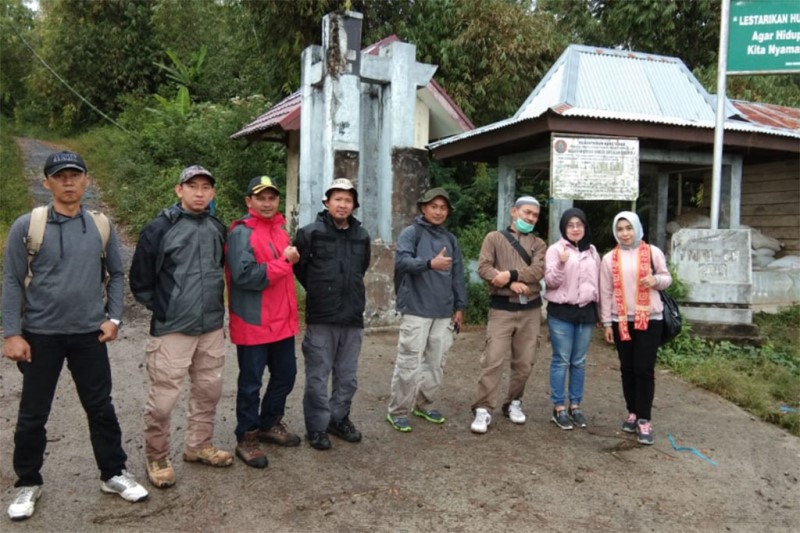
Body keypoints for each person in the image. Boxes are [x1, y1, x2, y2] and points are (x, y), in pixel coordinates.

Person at [2, 151, 148, 521]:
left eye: (75, 175)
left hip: (88, 334)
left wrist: (114, 317)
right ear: (46, 182)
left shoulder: (100, 225)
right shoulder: (27, 226)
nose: (68, 182)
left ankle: (113, 472)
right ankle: (27, 482)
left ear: (86, 181)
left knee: (101, 408)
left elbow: (117, 273)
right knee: (33, 413)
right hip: (40, 335)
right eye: (60, 176)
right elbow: (11, 281)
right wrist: (11, 333)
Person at [130, 165, 233, 488]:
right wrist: (165, 308)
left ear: (213, 193)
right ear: (179, 190)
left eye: (206, 187)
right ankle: (157, 455)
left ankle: (198, 445)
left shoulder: (218, 227)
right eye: (193, 186)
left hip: (212, 325)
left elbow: (220, 270)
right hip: (172, 328)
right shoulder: (160, 228)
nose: (199, 193)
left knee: (209, 391)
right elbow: (141, 281)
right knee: (163, 399)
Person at [225, 176, 301, 469]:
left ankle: (270, 422)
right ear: (249, 202)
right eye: (261, 198)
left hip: (281, 321)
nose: (267, 203)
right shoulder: (241, 233)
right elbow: (244, 276)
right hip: (254, 321)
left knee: (286, 375)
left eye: (272, 198)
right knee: (250, 384)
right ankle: (246, 436)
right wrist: (285, 263)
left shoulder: (280, 230)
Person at [294, 178, 371, 451]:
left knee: (347, 377)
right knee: (317, 377)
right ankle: (316, 427)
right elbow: (300, 269)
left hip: (352, 317)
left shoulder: (362, 236)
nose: (342, 204)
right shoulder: (309, 233)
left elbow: (361, 269)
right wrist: (321, 290)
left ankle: (338, 419)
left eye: (348, 200)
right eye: (337, 199)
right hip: (322, 317)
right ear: (327, 202)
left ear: (354, 206)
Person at [386, 188, 467, 432]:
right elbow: (401, 261)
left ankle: (423, 404)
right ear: (423, 208)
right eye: (434, 206)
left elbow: (458, 275)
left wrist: (460, 307)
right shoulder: (412, 233)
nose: (439, 212)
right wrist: (430, 263)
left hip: (443, 312)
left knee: (435, 362)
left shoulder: (450, 239)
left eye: (443, 208)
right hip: (416, 309)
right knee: (409, 361)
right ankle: (398, 410)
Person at [470, 196, 547, 434]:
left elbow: (538, 270)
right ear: (514, 211)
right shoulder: (493, 238)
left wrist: (510, 275)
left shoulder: (539, 243)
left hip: (530, 310)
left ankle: (514, 402)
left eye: (535, 215)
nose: (530, 218)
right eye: (527, 213)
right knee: (492, 360)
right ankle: (483, 408)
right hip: (502, 309)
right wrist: (509, 285)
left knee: (524, 363)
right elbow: (484, 267)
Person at [599, 211, 672, 445]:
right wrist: (607, 323)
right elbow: (606, 292)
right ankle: (632, 412)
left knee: (644, 369)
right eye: (620, 229)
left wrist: (656, 281)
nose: (625, 233)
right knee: (627, 368)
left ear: (637, 228)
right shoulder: (609, 258)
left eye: (628, 228)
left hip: (650, 318)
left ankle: (644, 419)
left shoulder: (652, 252)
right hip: (622, 319)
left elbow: (666, 277)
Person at [544, 208, 601, 431]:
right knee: (561, 359)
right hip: (561, 312)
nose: (575, 229)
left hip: (586, 312)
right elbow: (550, 281)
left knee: (579, 361)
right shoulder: (555, 250)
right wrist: (560, 263)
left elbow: (598, 283)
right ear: (564, 228)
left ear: (585, 227)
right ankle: (559, 407)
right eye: (570, 225)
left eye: (579, 224)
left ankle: (575, 405)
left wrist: (600, 313)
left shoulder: (593, 251)